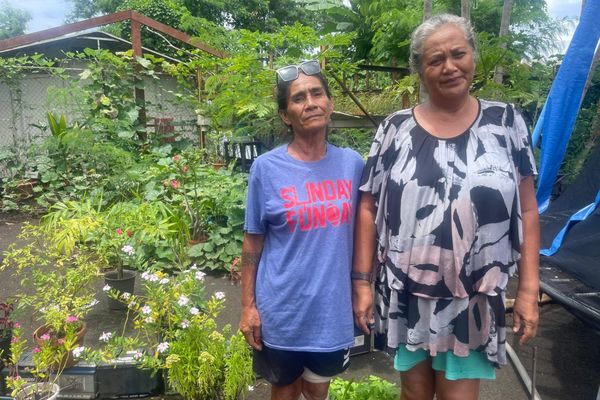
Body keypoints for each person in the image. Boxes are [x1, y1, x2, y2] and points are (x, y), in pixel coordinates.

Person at [352, 14, 540, 400]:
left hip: (472, 295)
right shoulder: (394, 129)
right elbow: (368, 206)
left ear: (473, 55)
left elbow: (529, 209)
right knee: (413, 395)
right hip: (408, 293)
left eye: (459, 54)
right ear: (419, 70)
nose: (449, 66)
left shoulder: (505, 123)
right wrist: (361, 284)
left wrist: (527, 290)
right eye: (435, 60)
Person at [240, 60, 364, 400]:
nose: (310, 103)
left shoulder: (353, 164)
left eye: (317, 93)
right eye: (298, 98)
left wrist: (364, 288)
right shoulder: (266, 169)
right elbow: (253, 239)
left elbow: (367, 233)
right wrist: (248, 307)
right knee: (284, 389)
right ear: (285, 115)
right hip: (282, 310)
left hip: (331, 310)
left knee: (317, 388)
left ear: (330, 102)